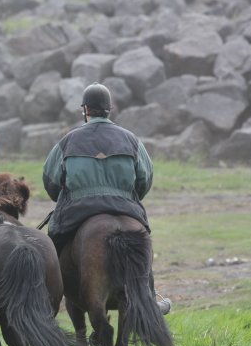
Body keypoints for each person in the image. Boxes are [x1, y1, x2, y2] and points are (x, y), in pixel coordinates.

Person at [42, 82, 172, 318]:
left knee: (54, 246)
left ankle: (46, 297)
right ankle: (150, 296)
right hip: (126, 207)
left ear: (85, 110)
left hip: (76, 211)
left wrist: (65, 198)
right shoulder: (132, 140)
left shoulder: (68, 141)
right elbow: (145, 178)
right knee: (143, 246)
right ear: (109, 109)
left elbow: (50, 181)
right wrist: (128, 199)